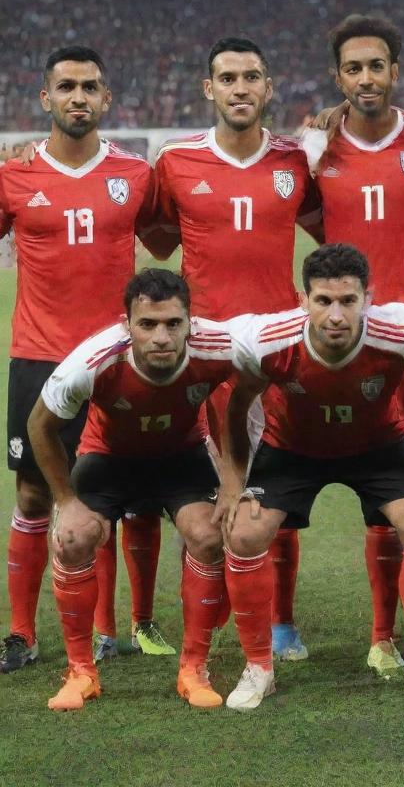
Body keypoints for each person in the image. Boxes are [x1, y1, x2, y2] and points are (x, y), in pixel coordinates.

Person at [218, 243, 404, 710]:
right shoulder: (269, 339)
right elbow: (237, 405)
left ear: (368, 298)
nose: (336, 315)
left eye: (348, 301)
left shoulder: (401, 332)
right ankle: (258, 667)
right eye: (323, 301)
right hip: (293, 449)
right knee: (245, 533)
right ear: (303, 300)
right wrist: (235, 483)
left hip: (378, 447)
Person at [152, 36, 322, 663]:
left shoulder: (296, 163)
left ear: (269, 87)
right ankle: (206, 603)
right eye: (228, 78)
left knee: (273, 485)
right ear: (209, 89)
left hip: (277, 353)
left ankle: (282, 622)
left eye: (252, 76)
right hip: (200, 357)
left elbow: (330, 226)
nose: (241, 88)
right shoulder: (175, 163)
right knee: (200, 490)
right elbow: (154, 234)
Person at [0, 46, 166, 674]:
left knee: (113, 495)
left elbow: (170, 236)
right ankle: (20, 632)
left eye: (89, 87)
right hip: (38, 359)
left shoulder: (135, 175)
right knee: (35, 494)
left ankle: (109, 629)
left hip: (116, 360)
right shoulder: (13, 176)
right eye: (65, 86)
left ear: (106, 100)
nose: (77, 97)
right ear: (45, 99)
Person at [304, 13, 404, 679]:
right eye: (353, 68)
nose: (366, 78)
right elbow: (294, 214)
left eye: (377, 65)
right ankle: (282, 626)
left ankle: (391, 637)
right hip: (339, 343)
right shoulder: (316, 149)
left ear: (396, 71)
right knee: (307, 485)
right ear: (339, 77)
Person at [27, 270, 236, 710]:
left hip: (181, 457)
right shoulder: (94, 360)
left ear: (190, 321)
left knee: (208, 535)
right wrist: (66, 502)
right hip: (110, 458)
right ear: (127, 324)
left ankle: (193, 668)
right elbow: (39, 425)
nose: (161, 336)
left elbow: (249, 387)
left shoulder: (219, 347)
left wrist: (233, 476)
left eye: (172, 324)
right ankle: (81, 672)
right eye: (148, 324)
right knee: (72, 538)